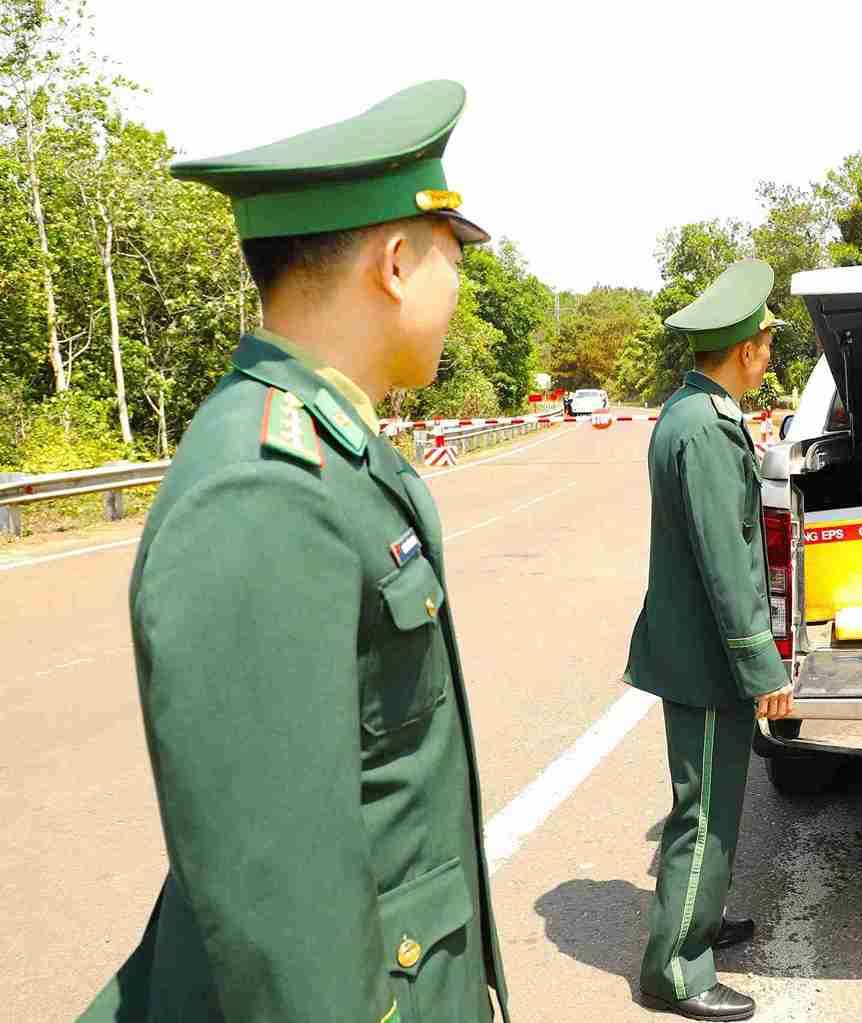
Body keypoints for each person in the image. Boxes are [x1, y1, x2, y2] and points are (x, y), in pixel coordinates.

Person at [79, 81, 509, 1022]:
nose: (458, 288)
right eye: (453, 258)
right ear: (395, 264)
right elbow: (281, 904)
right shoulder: (261, 487)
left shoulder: (328, 444)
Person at [623, 258, 796, 1021]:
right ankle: (675, 966)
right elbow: (729, 562)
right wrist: (763, 665)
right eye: (767, 342)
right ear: (745, 349)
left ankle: (702, 915)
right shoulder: (705, 427)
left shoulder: (695, 413)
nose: (770, 353)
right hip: (705, 655)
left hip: (698, 647)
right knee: (701, 812)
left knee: (718, 801)